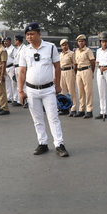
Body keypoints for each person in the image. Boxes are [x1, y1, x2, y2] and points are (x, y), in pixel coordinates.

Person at [18, 22, 69, 157]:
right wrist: (20, 91)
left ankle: (59, 144)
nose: (29, 37)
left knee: (53, 117)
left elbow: (57, 67)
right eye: (27, 34)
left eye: (32, 34)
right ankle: (43, 143)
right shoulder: (25, 51)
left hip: (48, 89)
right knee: (37, 118)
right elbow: (22, 72)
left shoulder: (50, 47)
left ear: (39, 34)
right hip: (31, 90)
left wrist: (58, 85)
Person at [73, 34, 95, 118]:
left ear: (85, 42)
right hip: (79, 71)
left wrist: (91, 71)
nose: (81, 42)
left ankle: (89, 110)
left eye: (82, 41)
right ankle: (81, 109)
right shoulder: (76, 51)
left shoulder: (88, 50)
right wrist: (75, 73)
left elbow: (92, 62)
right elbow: (75, 63)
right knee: (80, 91)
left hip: (86, 70)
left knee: (88, 91)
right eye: (79, 41)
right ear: (77, 42)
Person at [59, 38, 77, 116]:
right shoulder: (60, 54)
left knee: (71, 90)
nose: (64, 46)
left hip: (69, 71)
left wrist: (74, 73)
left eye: (65, 45)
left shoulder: (72, 53)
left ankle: (73, 108)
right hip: (62, 72)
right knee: (63, 91)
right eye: (63, 45)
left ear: (68, 45)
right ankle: (65, 108)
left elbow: (75, 64)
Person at [12, 34, 25, 107]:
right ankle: (19, 100)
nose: (14, 41)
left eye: (15, 40)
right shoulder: (17, 48)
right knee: (18, 84)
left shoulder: (24, 48)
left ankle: (26, 101)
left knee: (24, 84)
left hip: (21, 67)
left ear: (18, 40)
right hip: (16, 67)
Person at [3, 37, 16, 103]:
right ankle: (9, 97)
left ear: (10, 41)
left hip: (11, 67)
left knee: (13, 83)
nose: (5, 42)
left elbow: (15, 59)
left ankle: (15, 98)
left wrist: (15, 69)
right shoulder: (5, 49)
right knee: (7, 83)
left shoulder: (13, 49)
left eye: (7, 41)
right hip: (5, 67)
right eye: (4, 41)